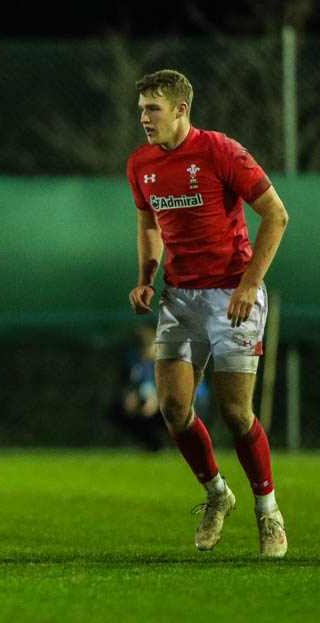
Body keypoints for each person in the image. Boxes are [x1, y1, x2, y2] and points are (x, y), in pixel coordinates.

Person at [126, 70, 289, 557]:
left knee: (237, 413)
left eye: (152, 109)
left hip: (231, 296)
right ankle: (218, 494)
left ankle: (269, 512)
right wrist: (145, 276)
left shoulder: (220, 150)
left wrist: (250, 283)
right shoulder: (140, 164)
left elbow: (276, 214)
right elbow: (148, 222)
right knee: (174, 409)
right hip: (180, 298)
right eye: (140, 110)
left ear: (180, 109)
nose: (143, 119)